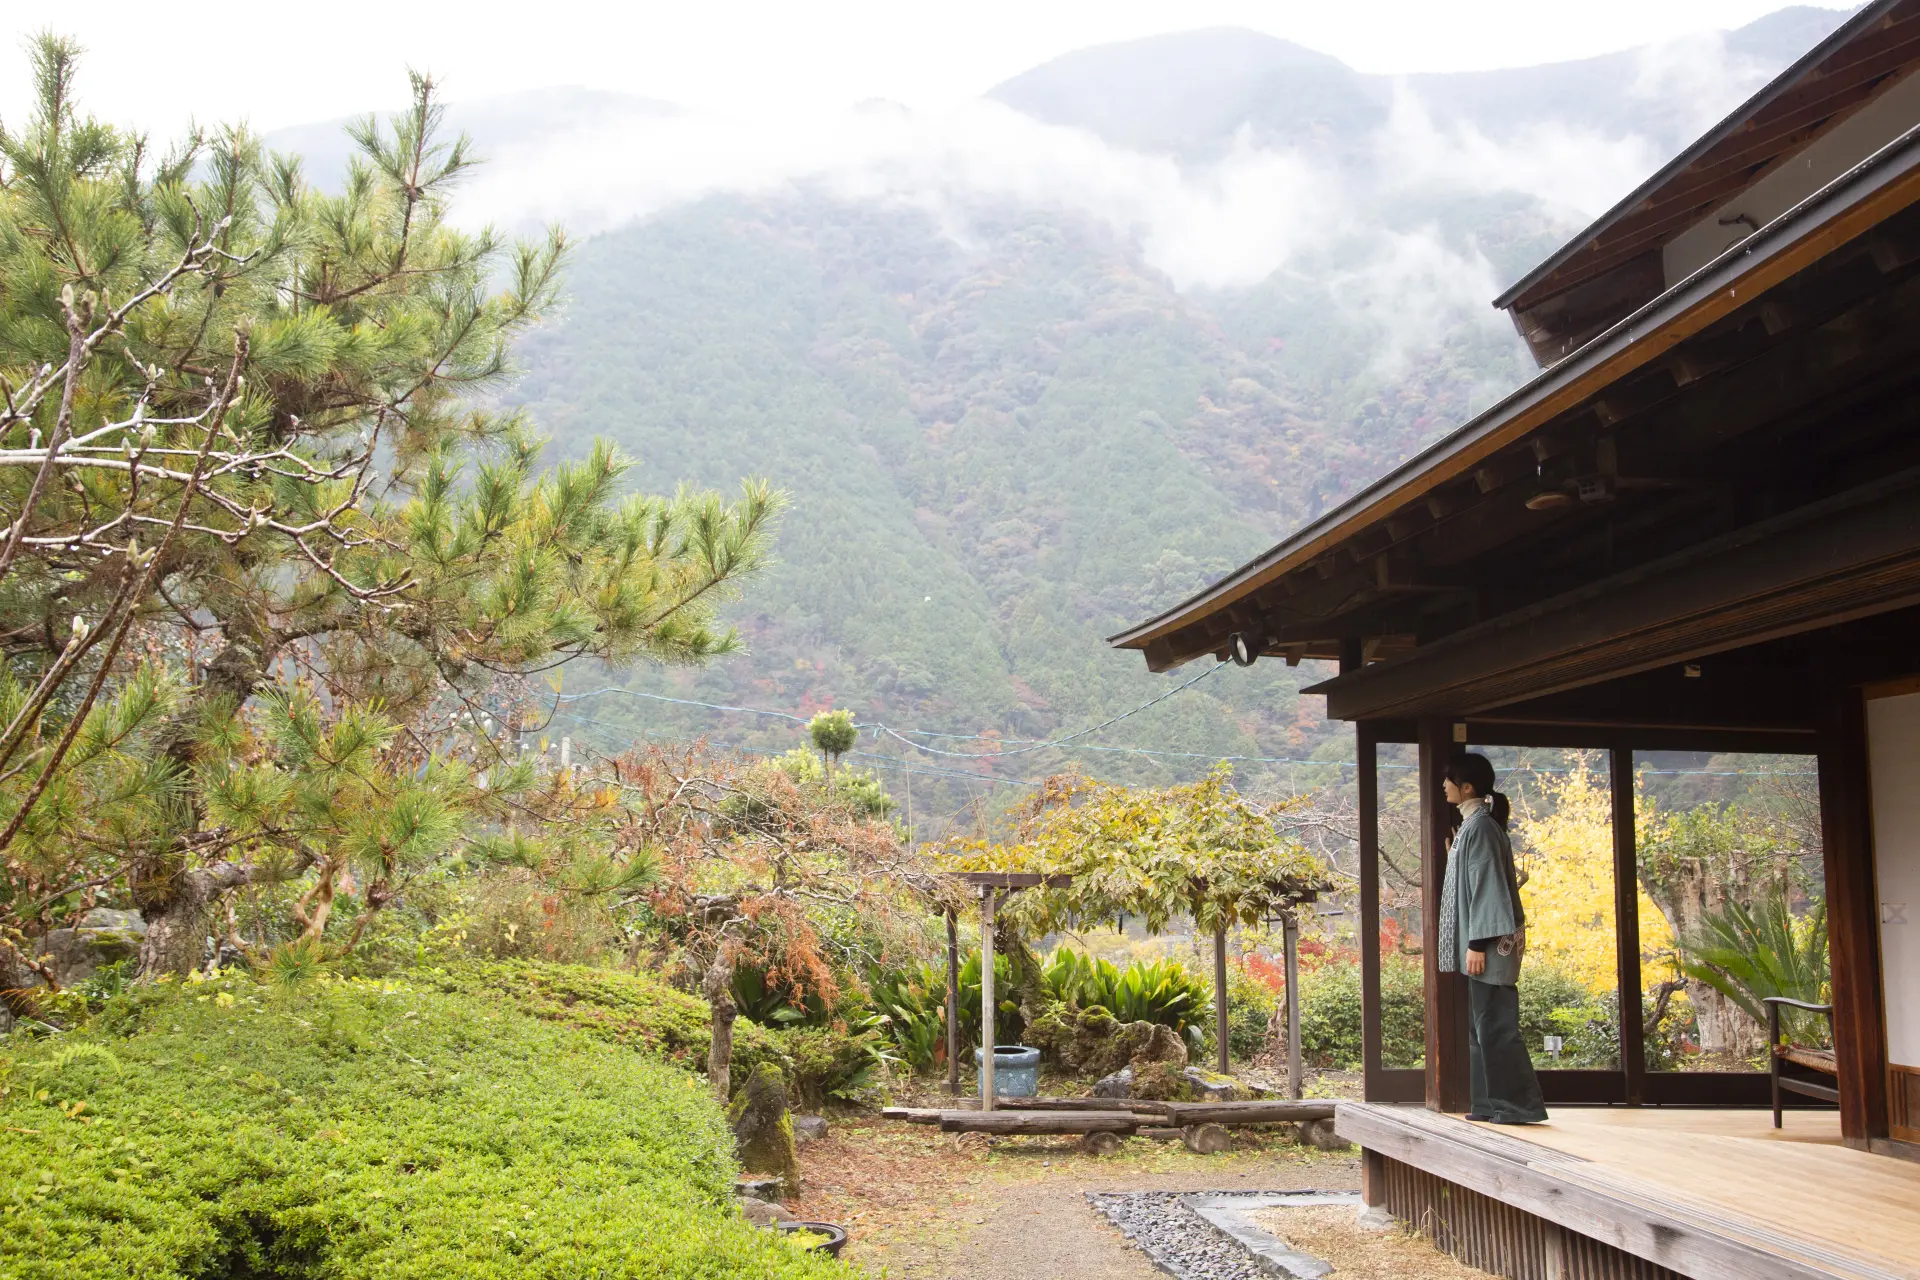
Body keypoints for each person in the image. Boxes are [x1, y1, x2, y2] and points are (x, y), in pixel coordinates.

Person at [1437, 753, 1548, 1124]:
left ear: (1466, 787)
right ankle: (1489, 1104)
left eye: (1448, 780)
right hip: (1485, 944)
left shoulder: (1480, 828)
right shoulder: (1474, 826)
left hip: (1488, 946)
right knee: (1481, 1028)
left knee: (1496, 1027)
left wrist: (1475, 944)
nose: (1443, 786)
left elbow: (1487, 889)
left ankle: (1517, 1107)